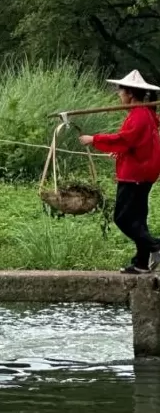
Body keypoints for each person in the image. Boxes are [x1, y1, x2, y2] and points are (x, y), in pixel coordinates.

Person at [79, 69, 160, 274]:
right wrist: (121, 153)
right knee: (138, 219)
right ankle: (142, 263)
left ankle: (155, 246)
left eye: (120, 91)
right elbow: (137, 144)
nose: (118, 95)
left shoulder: (139, 115)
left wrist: (94, 139)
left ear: (130, 94)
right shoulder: (146, 113)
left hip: (136, 175)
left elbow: (124, 139)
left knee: (122, 218)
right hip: (143, 171)